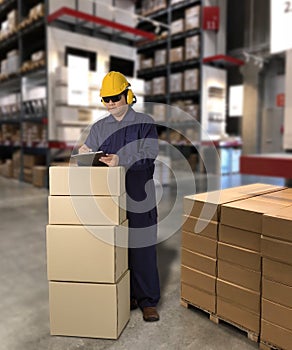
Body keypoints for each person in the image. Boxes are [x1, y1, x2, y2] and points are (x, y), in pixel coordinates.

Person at [79, 71, 160, 322]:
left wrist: (121, 160)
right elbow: (88, 156)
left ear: (128, 94)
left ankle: (147, 300)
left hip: (139, 194)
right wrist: (84, 153)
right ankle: (128, 295)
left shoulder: (144, 123)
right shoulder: (99, 127)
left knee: (142, 247)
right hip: (109, 198)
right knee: (116, 248)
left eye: (115, 97)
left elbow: (150, 153)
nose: (111, 103)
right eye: (106, 99)